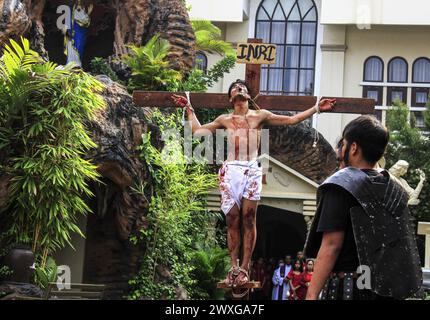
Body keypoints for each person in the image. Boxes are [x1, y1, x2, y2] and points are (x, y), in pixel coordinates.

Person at [172, 80, 335, 288]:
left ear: (248, 96)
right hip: (230, 170)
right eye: (235, 88)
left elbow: (292, 120)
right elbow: (197, 131)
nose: (239, 89)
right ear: (231, 98)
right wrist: (188, 108)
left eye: (242, 88)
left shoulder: (260, 116)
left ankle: (245, 267)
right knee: (232, 220)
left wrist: (316, 109)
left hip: (251, 169)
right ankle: (233, 267)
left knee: (249, 218)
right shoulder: (225, 119)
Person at [305, 115, 422, 300]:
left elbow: (331, 246)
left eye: (343, 144)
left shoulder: (341, 185)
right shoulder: (397, 190)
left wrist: (311, 295)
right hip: (387, 291)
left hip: (349, 289)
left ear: (353, 148)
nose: (339, 150)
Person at [63, 0, 94, 67]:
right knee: (70, 45)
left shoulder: (82, 9)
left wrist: (88, 13)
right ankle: (70, 63)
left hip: (80, 32)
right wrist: (66, 28)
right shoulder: (72, 7)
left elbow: (84, 21)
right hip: (72, 30)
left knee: (79, 46)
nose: (79, 2)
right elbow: (70, 17)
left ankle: (77, 63)